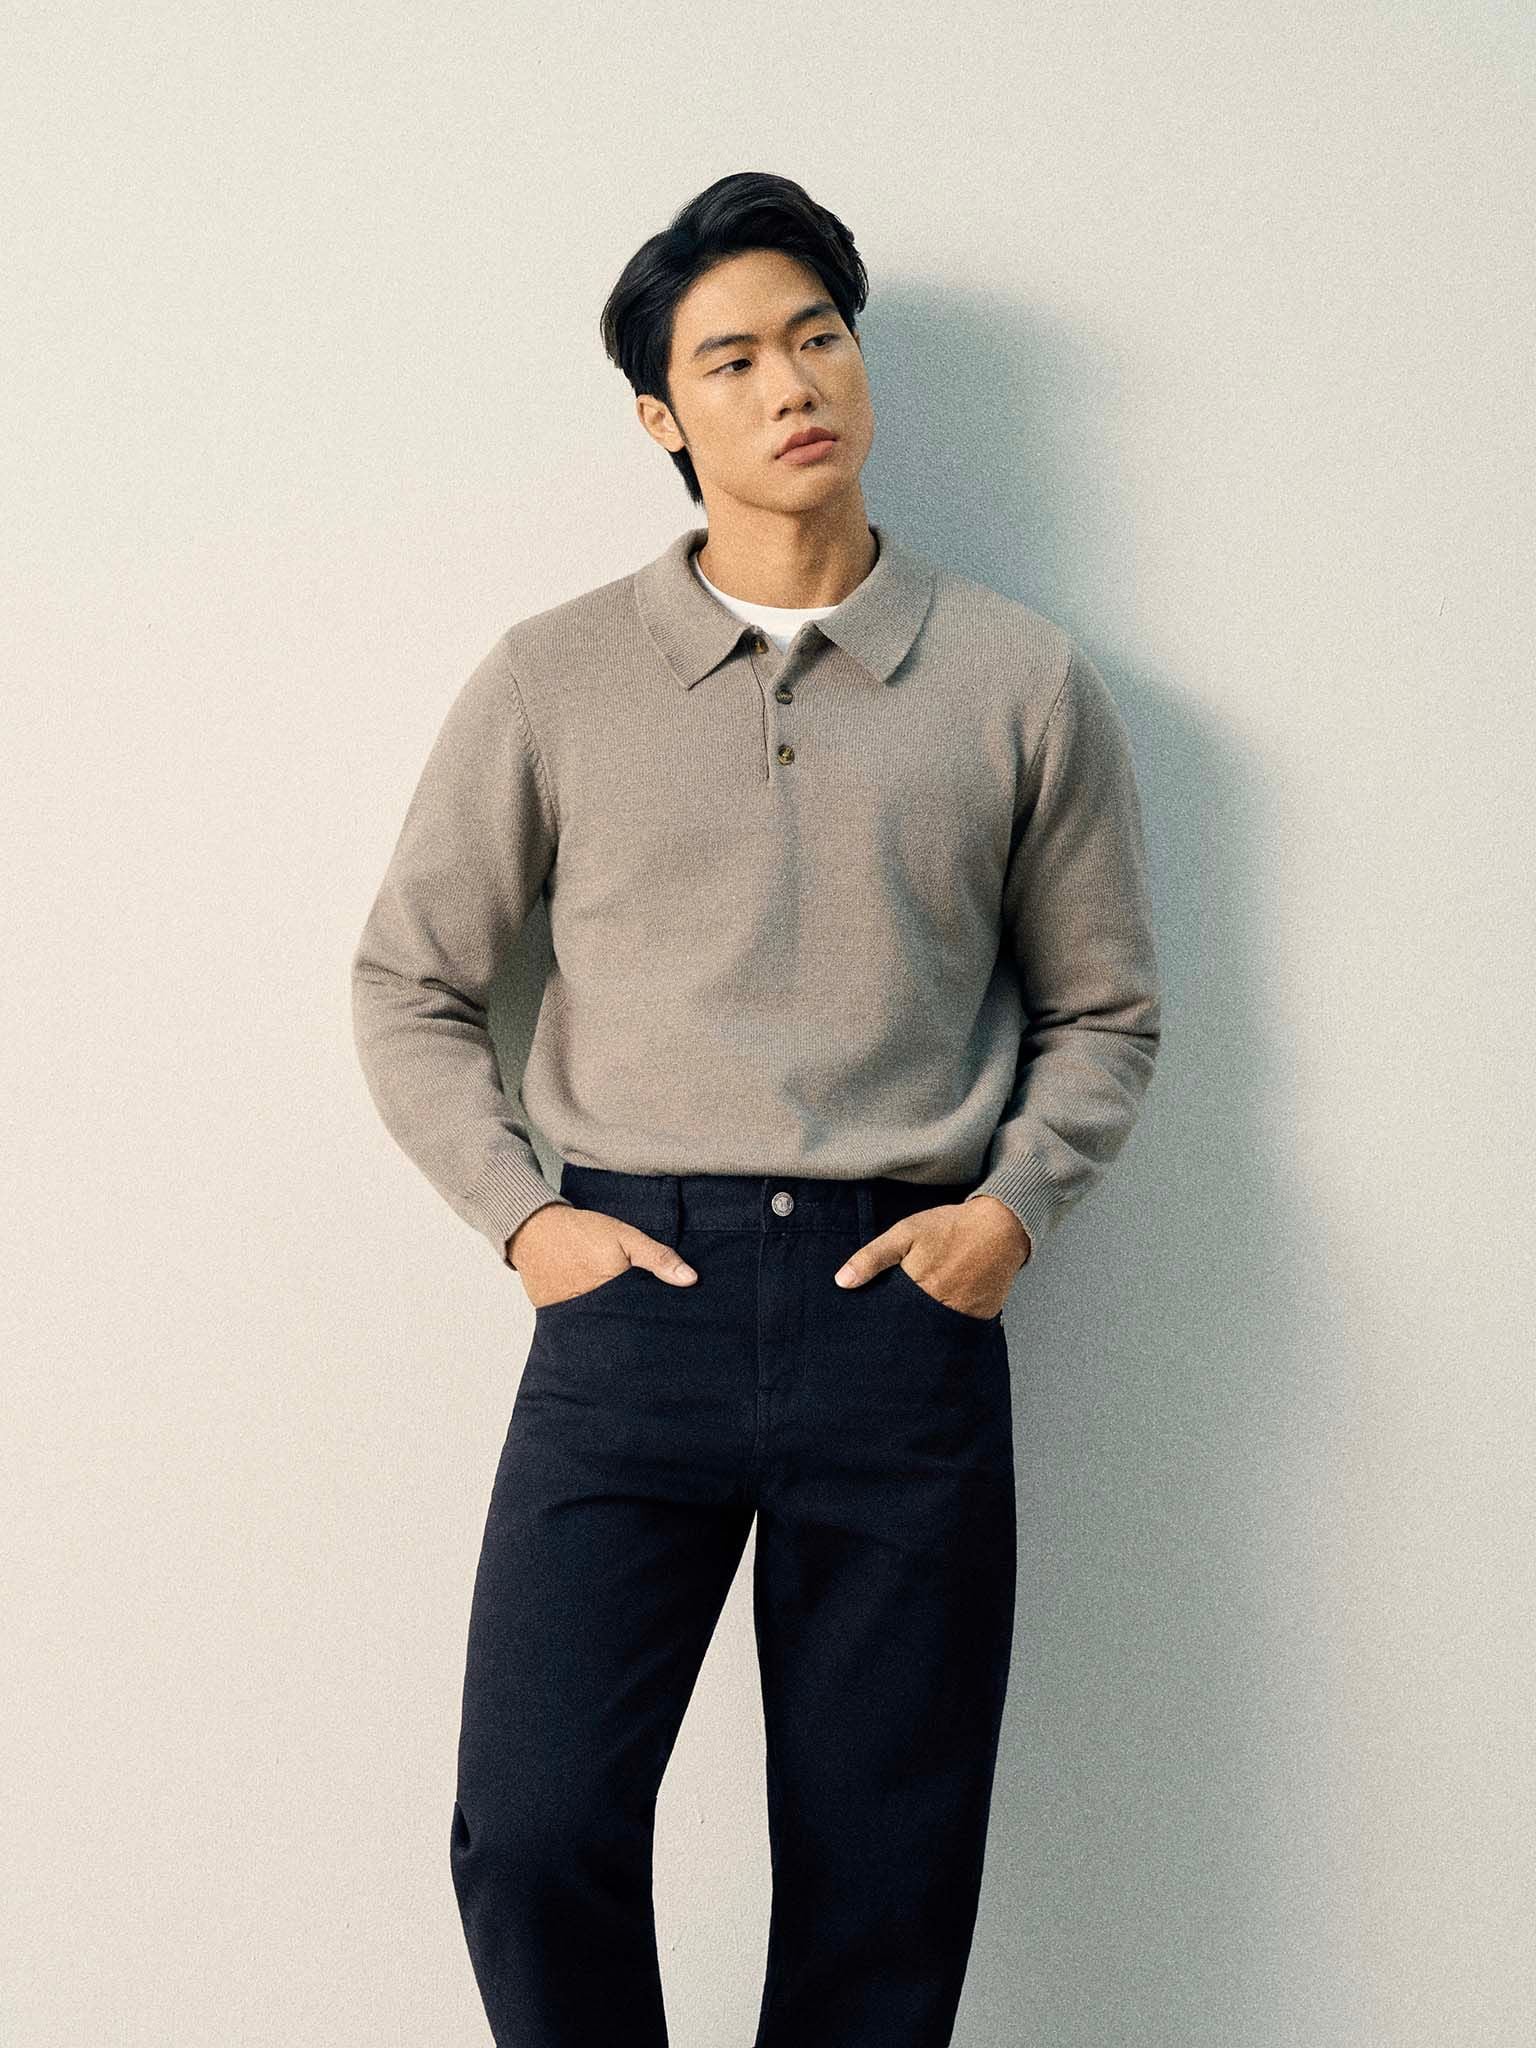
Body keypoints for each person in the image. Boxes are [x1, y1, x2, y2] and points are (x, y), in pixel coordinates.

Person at [350, 168, 1162, 2048]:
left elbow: (1106, 1008)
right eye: (733, 359)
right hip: (635, 1300)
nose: (793, 382)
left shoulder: (1020, 681)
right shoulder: (554, 678)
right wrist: (526, 1220)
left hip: (903, 1314)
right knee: (534, 1832)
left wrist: (1009, 1213)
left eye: (819, 336)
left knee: (887, 1878)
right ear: (664, 415)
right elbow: (409, 983)